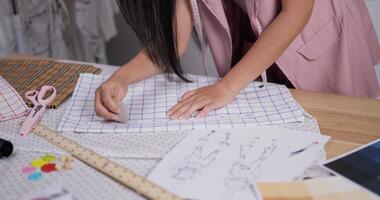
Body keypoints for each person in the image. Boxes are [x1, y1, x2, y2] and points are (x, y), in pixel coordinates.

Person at [95, 0, 380, 121]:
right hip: (266, 46)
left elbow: (297, 12)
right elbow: (177, 38)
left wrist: (227, 87)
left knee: (346, 133)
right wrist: (122, 77)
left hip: (324, 41)